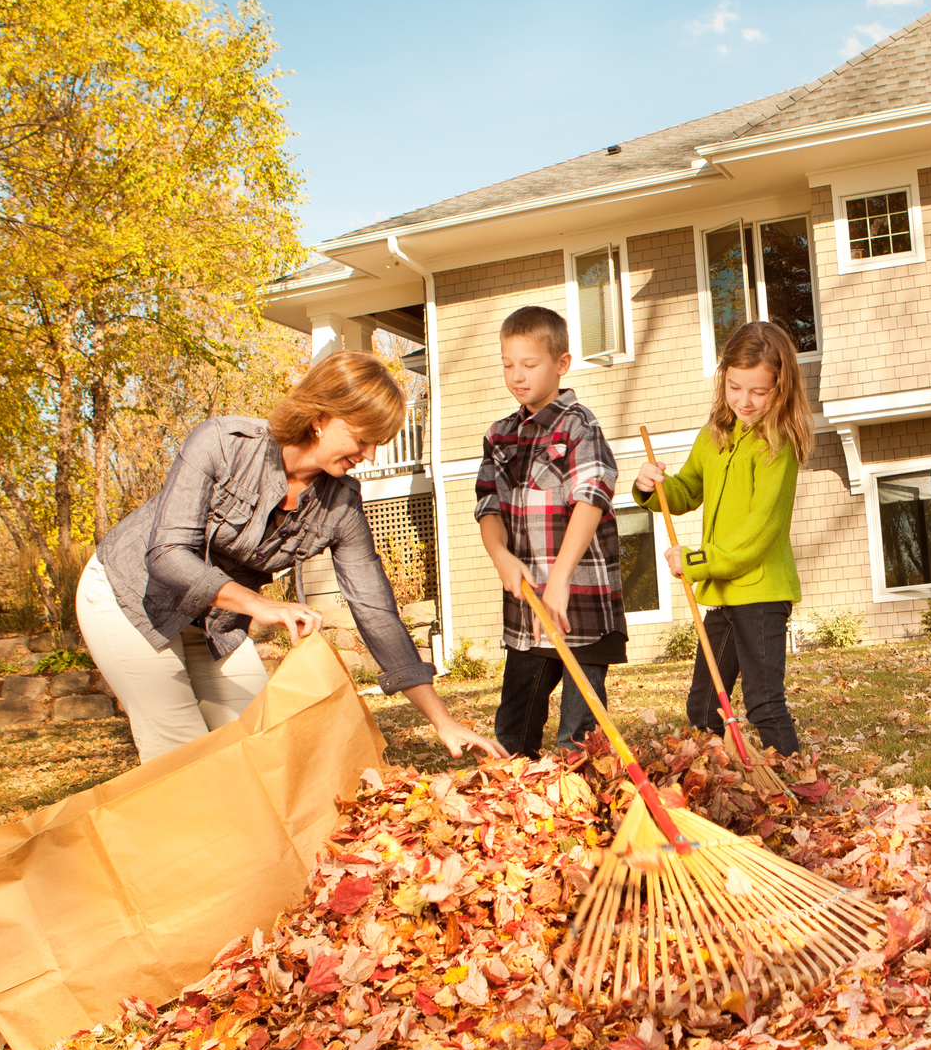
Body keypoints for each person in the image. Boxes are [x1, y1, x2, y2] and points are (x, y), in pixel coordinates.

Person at [79, 351, 503, 764]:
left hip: (214, 622)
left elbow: (377, 613)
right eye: (363, 438)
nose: (370, 454)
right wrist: (261, 606)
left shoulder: (341, 505)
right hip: (132, 599)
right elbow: (168, 555)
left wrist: (443, 721)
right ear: (320, 419)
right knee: (184, 755)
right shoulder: (223, 445)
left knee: (267, 744)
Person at [633, 321, 809, 756]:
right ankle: (718, 779)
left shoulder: (777, 446)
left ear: (780, 389)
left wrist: (696, 561)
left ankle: (797, 784)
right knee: (705, 704)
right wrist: (650, 485)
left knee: (764, 703)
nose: (744, 401)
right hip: (724, 596)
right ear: (723, 380)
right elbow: (686, 492)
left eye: (758, 392)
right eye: (734, 387)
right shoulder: (714, 436)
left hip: (761, 595)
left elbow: (759, 532)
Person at [476, 306, 626, 757]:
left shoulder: (579, 424)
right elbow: (488, 506)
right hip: (528, 614)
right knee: (513, 732)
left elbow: (593, 497)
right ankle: (517, 813)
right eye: (507, 364)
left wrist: (559, 579)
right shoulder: (499, 435)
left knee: (576, 739)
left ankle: (578, 813)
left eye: (529, 363)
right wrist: (501, 556)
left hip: (581, 602)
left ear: (561, 364)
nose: (516, 376)